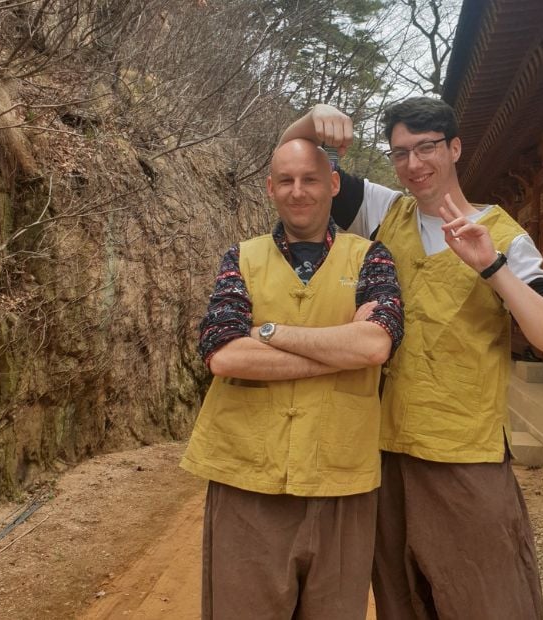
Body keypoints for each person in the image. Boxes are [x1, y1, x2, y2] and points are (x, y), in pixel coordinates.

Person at [280, 98, 543, 619]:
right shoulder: (384, 211)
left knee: (487, 597)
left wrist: (492, 267)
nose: (414, 165)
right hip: (385, 447)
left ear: (454, 148)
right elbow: (292, 160)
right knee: (402, 597)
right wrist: (312, 119)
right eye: (400, 153)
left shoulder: (504, 235)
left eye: (427, 148)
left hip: (463, 450)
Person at [181, 138, 404, 619]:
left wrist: (267, 332)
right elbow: (222, 354)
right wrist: (340, 347)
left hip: (340, 477)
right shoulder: (240, 257)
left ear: (334, 185)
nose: (298, 191)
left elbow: (375, 345)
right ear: (270, 188)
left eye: (310, 179)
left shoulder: (371, 257)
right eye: (286, 180)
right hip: (246, 475)